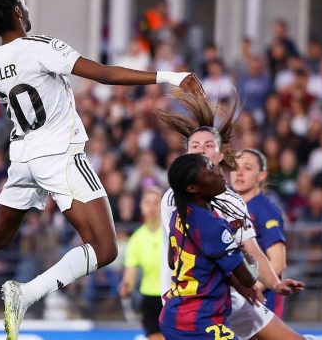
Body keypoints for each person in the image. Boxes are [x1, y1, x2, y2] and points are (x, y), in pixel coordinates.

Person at [0, 0, 206, 340]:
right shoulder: (40, 46)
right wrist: (170, 77)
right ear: (16, 12)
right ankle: (26, 294)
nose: (27, 9)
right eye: (23, 4)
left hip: (23, 156)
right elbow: (103, 74)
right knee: (105, 248)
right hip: (58, 153)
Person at [159, 91, 307, 340]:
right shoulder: (176, 200)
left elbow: (251, 248)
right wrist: (244, 278)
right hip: (192, 299)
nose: (202, 151)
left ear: (220, 155)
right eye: (195, 147)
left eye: (208, 146)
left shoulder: (232, 200)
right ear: (187, 156)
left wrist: (274, 283)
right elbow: (205, 255)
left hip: (227, 292)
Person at [160, 153, 256, 340]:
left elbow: (173, 261)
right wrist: (251, 261)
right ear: (192, 187)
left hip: (174, 316)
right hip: (199, 322)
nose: (218, 171)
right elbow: (248, 279)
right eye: (209, 170)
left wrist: (228, 229)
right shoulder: (213, 226)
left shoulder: (178, 216)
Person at [231, 149, 288, 318]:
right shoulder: (227, 207)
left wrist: (248, 292)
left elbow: (278, 263)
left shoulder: (265, 210)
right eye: (234, 167)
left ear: (262, 175)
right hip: (237, 301)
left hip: (261, 305)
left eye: (247, 168)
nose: (239, 173)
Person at [118, 187, 165, 340]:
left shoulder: (172, 233)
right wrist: (126, 287)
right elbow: (129, 276)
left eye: (156, 202)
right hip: (149, 297)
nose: (152, 207)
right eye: (147, 203)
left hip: (172, 296)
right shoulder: (136, 239)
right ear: (141, 207)